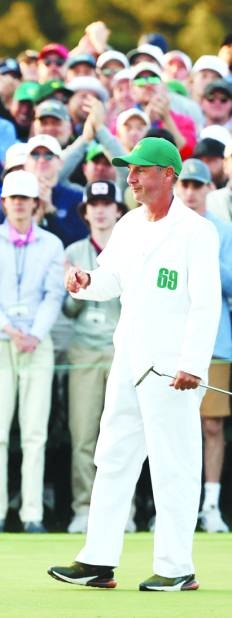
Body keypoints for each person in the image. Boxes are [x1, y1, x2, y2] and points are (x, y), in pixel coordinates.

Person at [49, 138, 220, 592]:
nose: (131, 178)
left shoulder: (197, 231)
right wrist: (85, 282)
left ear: (168, 174)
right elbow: (111, 280)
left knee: (173, 465)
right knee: (113, 456)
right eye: (130, 170)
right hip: (128, 358)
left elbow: (206, 306)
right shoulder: (127, 224)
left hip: (172, 370)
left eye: (140, 170)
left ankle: (177, 567)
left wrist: (193, 364)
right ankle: (98, 560)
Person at [0, 170, 65, 534]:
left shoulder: (52, 244)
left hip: (37, 342)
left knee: (35, 432)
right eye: (14, 198)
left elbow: (54, 294)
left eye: (26, 198)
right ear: (5, 203)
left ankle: (32, 514)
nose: (20, 204)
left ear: (35, 204)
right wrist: (12, 330)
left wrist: (34, 334)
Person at [61, 181, 126, 534]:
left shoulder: (131, 247)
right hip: (84, 348)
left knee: (123, 435)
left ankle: (124, 510)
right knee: (84, 433)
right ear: (85, 212)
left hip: (121, 348)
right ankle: (84, 507)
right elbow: (69, 311)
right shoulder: (74, 249)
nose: (100, 210)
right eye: (94, 204)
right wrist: (72, 285)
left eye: (107, 203)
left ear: (118, 209)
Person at [171, 159, 232, 534]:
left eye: (198, 185)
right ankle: (175, 505)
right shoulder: (165, 228)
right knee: (173, 426)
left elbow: (228, 281)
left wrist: (202, 253)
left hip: (215, 339)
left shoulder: (221, 230)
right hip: (171, 341)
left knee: (212, 426)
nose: (191, 192)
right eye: (186, 185)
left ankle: (209, 505)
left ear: (209, 189)